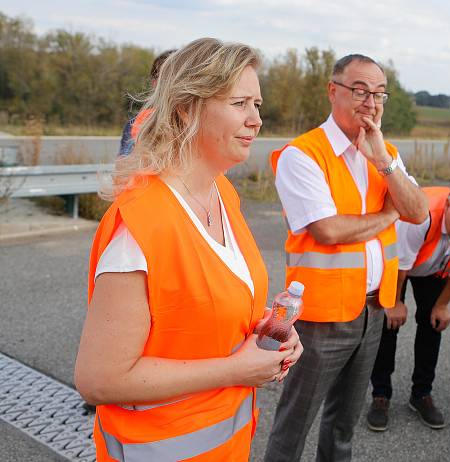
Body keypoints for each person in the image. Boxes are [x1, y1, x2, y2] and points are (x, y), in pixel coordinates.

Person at [74, 38, 303, 461]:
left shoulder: (222, 194)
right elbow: (99, 379)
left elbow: (205, 304)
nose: (256, 120)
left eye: (258, 104)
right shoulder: (143, 224)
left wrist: (274, 333)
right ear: (186, 107)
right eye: (239, 103)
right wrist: (238, 369)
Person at [264, 54, 428, 462]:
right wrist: (390, 213)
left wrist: (383, 162)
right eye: (359, 91)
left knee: (343, 426)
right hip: (321, 319)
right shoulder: (303, 154)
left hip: (372, 312)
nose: (370, 102)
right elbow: (328, 230)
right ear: (332, 90)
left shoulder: (384, 153)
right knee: (294, 425)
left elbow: (419, 211)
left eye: (379, 94)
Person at [367, 174, 450, 431]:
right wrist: (394, 302)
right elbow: (401, 265)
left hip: (435, 269)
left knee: (433, 323)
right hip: (400, 265)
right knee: (388, 324)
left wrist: (443, 304)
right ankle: (380, 394)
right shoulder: (421, 214)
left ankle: (421, 394)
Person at [118, 49, 175, 156]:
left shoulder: (200, 122)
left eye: (175, 75)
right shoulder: (136, 124)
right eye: (164, 76)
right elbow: (123, 166)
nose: (170, 81)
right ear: (154, 83)